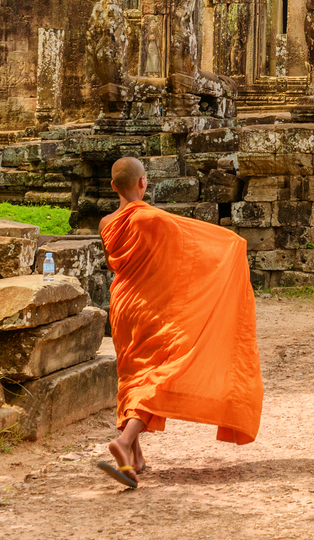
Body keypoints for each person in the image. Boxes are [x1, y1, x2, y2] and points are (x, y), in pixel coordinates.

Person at [98, 156, 263, 489]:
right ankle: (125, 440)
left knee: (131, 372)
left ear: (114, 186)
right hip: (151, 307)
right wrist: (232, 245)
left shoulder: (106, 222)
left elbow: (122, 264)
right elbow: (190, 245)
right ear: (143, 183)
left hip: (122, 305)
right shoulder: (151, 218)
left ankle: (134, 458)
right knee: (160, 370)